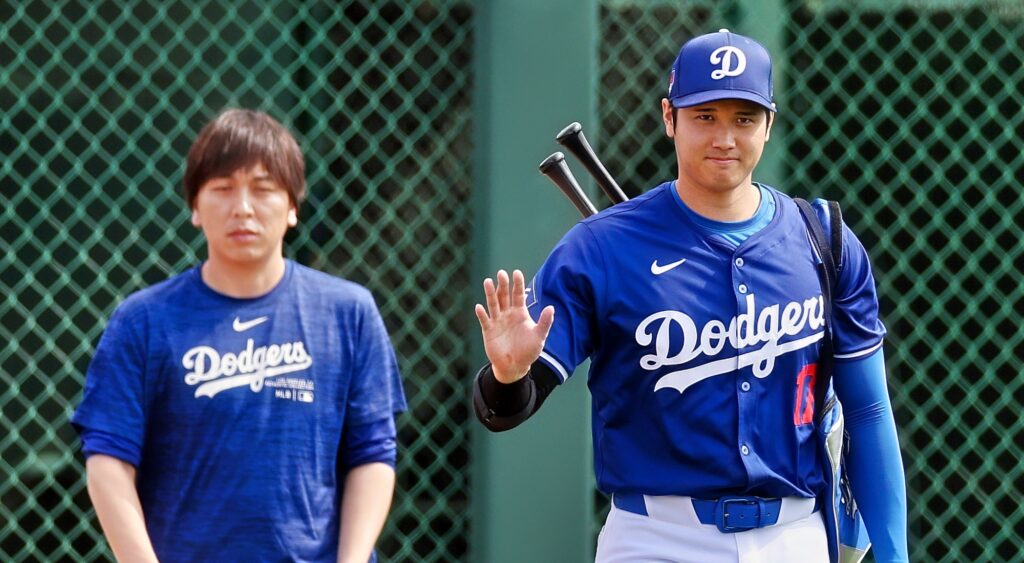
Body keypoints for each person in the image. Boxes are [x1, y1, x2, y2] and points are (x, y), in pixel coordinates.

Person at [472, 30, 908, 562]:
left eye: (743, 118)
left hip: (793, 536)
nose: (724, 137)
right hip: (656, 538)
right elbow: (504, 409)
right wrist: (508, 375)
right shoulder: (601, 247)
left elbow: (868, 410)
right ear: (668, 118)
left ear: (769, 124)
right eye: (705, 116)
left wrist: (894, 556)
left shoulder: (825, 239)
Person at [72, 109, 407, 562]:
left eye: (264, 189)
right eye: (223, 188)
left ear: (292, 207)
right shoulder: (143, 321)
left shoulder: (349, 313)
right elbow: (108, 461)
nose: (243, 208)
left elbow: (372, 453)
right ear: (195, 206)